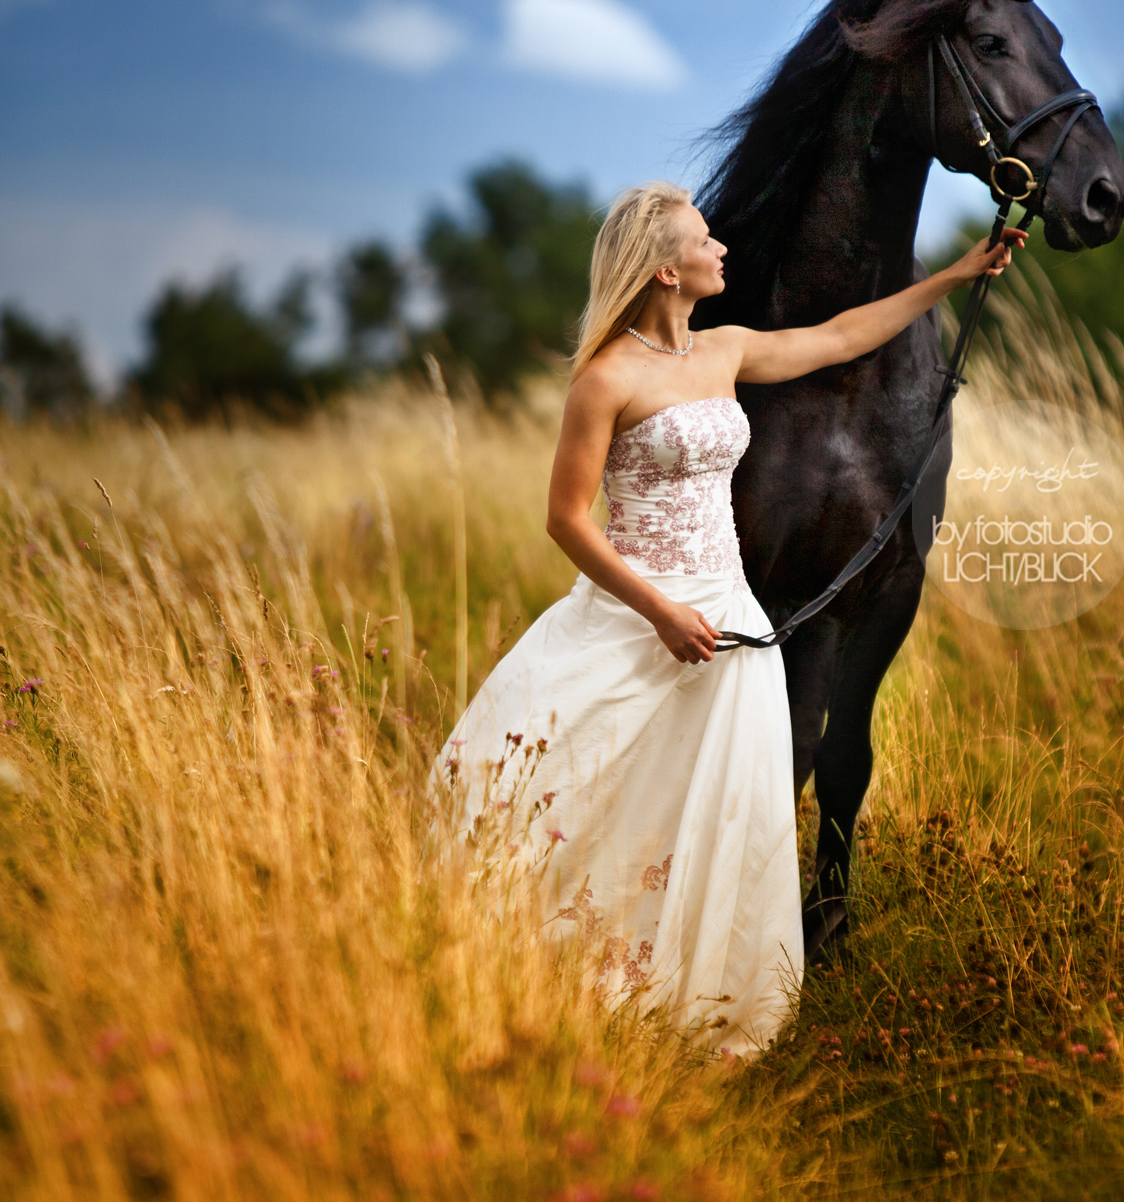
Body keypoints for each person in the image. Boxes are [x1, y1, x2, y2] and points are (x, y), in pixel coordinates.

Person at [430, 181, 1018, 1058]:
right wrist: (660, 610)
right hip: (642, 617)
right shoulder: (604, 380)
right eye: (704, 242)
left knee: (713, 812)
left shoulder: (725, 350)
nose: (721, 250)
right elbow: (566, 517)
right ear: (665, 270)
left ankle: (682, 1001)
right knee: (602, 800)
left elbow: (837, 337)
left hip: (728, 619)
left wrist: (957, 275)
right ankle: (550, 981)